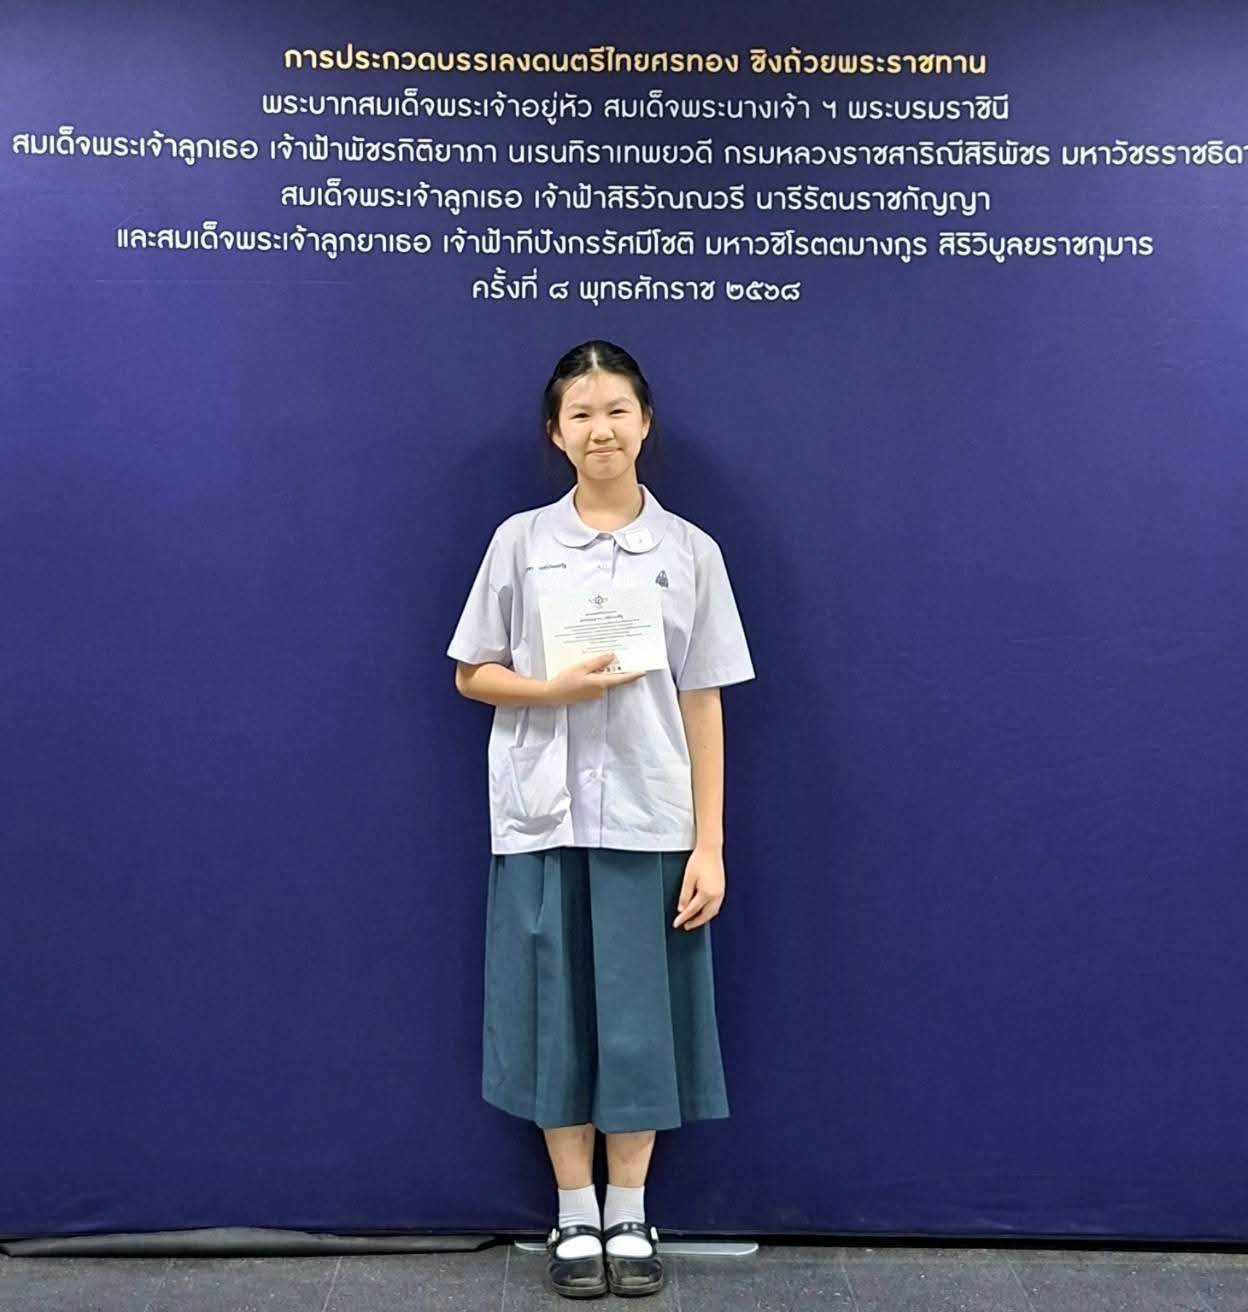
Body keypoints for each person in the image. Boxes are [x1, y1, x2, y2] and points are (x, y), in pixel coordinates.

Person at [446, 339, 755, 1299]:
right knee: (554, 1020)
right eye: (580, 414)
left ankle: (630, 1209)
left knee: (637, 1026)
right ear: (556, 432)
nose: (601, 430)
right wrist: (551, 690)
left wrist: (709, 842)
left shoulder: (690, 552)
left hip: (651, 821)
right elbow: (472, 672)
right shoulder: (520, 542)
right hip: (542, 818)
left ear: (645, 422)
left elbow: (704, 700)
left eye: (617, 410)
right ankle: (573, 1211)